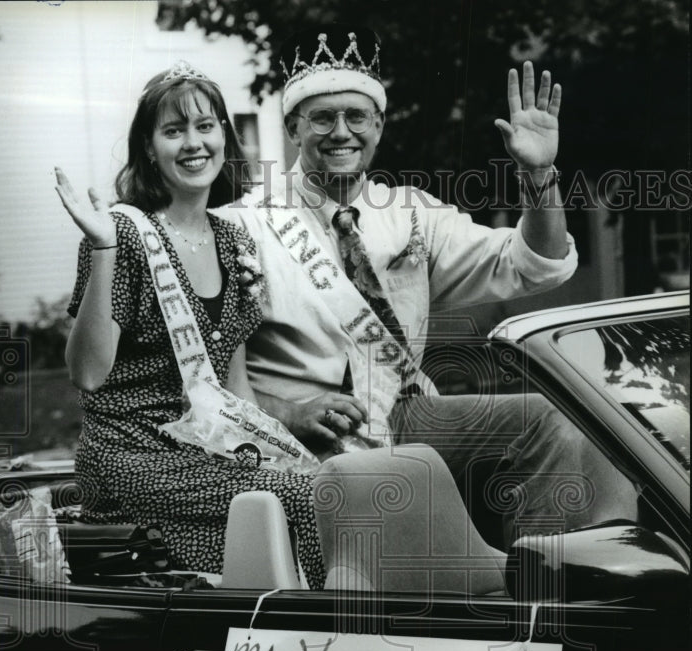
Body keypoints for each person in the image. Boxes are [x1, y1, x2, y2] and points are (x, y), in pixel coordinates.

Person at [217, 25, 638, 544]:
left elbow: (536, 263)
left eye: (357, 116)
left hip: (409, 413)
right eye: (323, 117)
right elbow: (199, 377)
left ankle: (568, 587)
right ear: (293, 127)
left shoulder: (411, 213)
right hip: (306, 434)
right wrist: (284, 412)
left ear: (379, 124)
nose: (341, 132)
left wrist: (540, 175)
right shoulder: (241, 224)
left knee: (566, 420)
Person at [55, 63, 327, 587]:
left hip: (205, 455)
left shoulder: (234, 240)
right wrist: (103, 250)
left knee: (329, 486)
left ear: (225, 135)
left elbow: (235, 391)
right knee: (301, 501)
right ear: (149, 148)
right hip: (130, 460)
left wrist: (283, 450)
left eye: (205, 126)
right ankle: (309, 640)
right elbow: (86, 374)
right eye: (173, 130)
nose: (193, 143)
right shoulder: (123, 234)